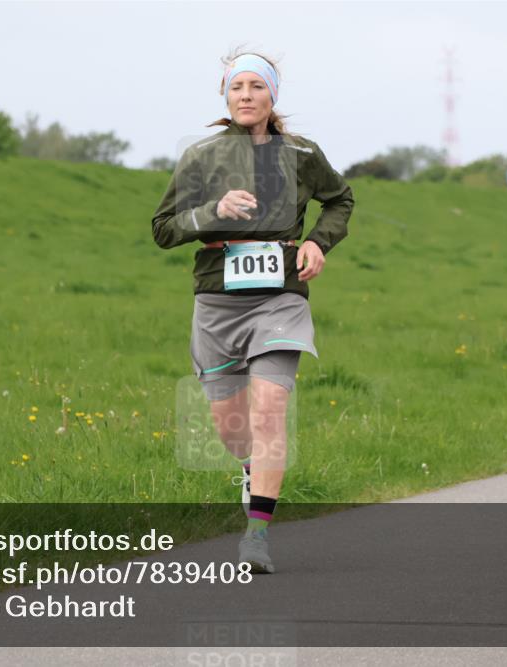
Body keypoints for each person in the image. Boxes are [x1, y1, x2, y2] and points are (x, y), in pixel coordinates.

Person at [151, 49, 354, 573]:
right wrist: (212, 212)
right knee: (231, 425)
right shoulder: (201, 156)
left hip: (280, 297)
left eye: (256, 87)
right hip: (217, 300)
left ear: (272, 96)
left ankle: (256, 537)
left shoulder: (302, 152)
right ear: (225, 95)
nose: (246, 95)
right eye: (237, 86)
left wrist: (317, 244)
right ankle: (250, 467)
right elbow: (163, 229)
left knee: (268, 411)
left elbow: (340, 200)